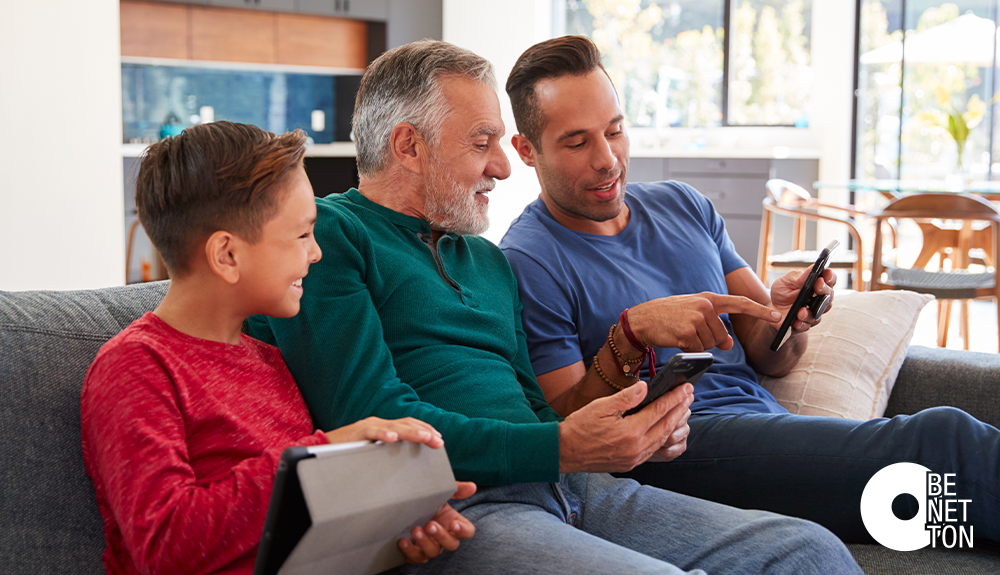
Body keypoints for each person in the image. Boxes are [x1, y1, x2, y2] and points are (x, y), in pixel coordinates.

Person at [249, 40, 862, 574]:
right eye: (482, 143)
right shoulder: (331, 236)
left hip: (573, 487)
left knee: (806, 551)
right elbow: (375, 419)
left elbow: (541, 413)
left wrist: (629, 429)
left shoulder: (485, 260)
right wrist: (563, 446)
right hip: (463, 509)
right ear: (408, 146)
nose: (501, 166)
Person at [499, 35, 1000, 543]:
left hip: (762, 430)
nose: (607, 159)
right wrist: (629, 336)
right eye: (577, 143)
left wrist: (788, 320)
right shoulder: (528, 259)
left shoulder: (684, 206)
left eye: (615, 130)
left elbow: (773, 359)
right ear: (526, 151)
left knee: (944, 463)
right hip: (677, 451)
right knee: (944, 440)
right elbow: (567, 431)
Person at [80, 121, 475, 575]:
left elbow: (294, 528)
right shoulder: (135, 367)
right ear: (227, 255)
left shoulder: (268, 361)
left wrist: (392, 525)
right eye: (302, 235)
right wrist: (315, 459)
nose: (316, 253)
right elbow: (165, 545)